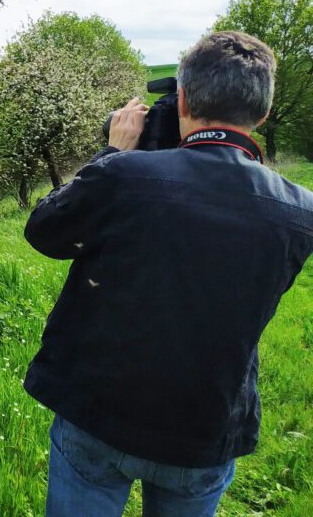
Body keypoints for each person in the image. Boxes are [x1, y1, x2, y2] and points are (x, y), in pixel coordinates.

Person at [21, 30, 313, 516]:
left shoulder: (125, 175)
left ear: (182, 99)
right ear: (261, 114)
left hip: (99, 410)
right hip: (205, 425)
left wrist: (116, 153)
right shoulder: (299, 210)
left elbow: (46, 232)